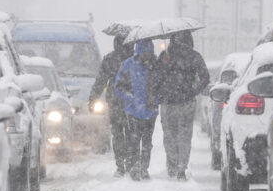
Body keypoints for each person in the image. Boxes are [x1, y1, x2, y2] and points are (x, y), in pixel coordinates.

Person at [155, 30, 210, 180]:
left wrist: (160, 93)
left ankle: (172, 166)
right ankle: (181, 168)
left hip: (168, 104)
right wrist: (193, 91)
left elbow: (156, 78)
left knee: (170, 137)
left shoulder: (165, 56)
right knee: (184, 137)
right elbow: (205, 78)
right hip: (186, 102)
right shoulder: (194, 56)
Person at [89, 35, 134, 177]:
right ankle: (131, 163)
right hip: (132, 100)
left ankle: (120, 165)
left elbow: (101, 80)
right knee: (132, 133)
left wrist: (93, 97)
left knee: (118, 133)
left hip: (114, 100)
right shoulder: (134, 58)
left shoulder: (110, 58)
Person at [114, 39, 159, 181]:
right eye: (144, 52)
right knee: (133, 141)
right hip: (133, 111)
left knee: (147, 142)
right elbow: (118, 86)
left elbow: (162, 85)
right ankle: (134, 167)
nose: (146, 55)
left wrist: (156, 99)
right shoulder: (128, 65)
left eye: (148, 52)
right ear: (138, 51)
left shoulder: (156, 66)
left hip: (150, 111)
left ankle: (144, 168)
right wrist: (130, 98)